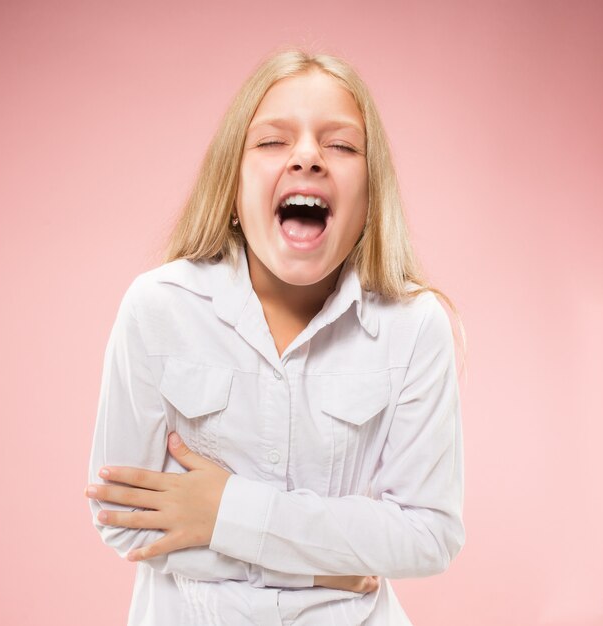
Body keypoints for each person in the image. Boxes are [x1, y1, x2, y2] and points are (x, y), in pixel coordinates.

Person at [86, 47, 465, 626]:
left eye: (340, 145)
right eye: (271, 142)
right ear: (233, 187)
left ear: (369, 196)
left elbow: (428, 534)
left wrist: (224, 512)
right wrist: (324, 566)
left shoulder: (415, 327)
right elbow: (122, 517)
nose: (308, 157)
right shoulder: (157, 308)